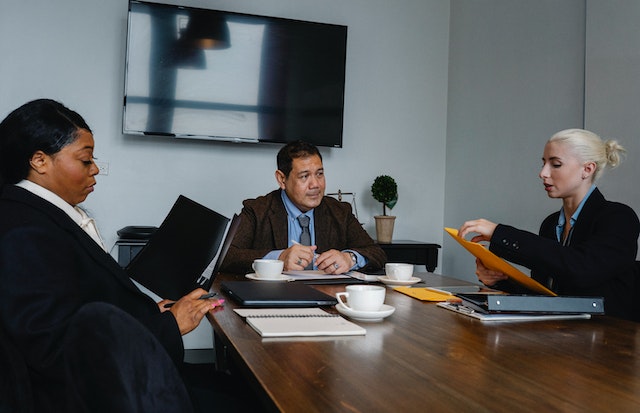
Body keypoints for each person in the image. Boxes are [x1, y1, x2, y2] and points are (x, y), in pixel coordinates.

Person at [0, 99, 246, 412]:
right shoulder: (22, 232)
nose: (96, 169)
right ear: (39, 161)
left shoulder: (40, 216)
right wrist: (169, 325)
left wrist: (145, 314)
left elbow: (79, 302)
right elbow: (52, 350)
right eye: (86, 160)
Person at [458, 128, 640, 320]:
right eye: (544, 163)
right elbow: (547, 296)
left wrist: (500, 233)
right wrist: (499, 281)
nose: (543, 173)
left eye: (556, 164)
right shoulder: (551, 224)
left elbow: (581, 270)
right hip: (562, 334)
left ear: (587, 169)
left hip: (610, 339)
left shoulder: (619, 217)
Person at [221, 140, 386, 274]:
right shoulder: (257, 210)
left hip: (328, 300)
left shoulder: (340, 211)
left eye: (319, 174)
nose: (315, 184)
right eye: (304, 176)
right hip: (274, 301)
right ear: (281, 179)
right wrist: (279, 258)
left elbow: (377, 253)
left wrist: (350, 258)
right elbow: (226, 257)